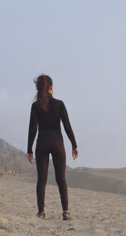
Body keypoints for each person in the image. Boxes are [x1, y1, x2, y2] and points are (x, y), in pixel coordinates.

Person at [27, 74, 79, 221]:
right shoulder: (59, 104)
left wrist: (29, 149)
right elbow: (67, 126)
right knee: (61, 179)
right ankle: (66, 212)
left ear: (38, 87)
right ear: (51, 87)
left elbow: (32, 129)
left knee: (41, 180)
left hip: (42, 143)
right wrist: (74, 145)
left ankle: (41, 212)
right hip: (57, 143)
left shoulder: (35, 106)